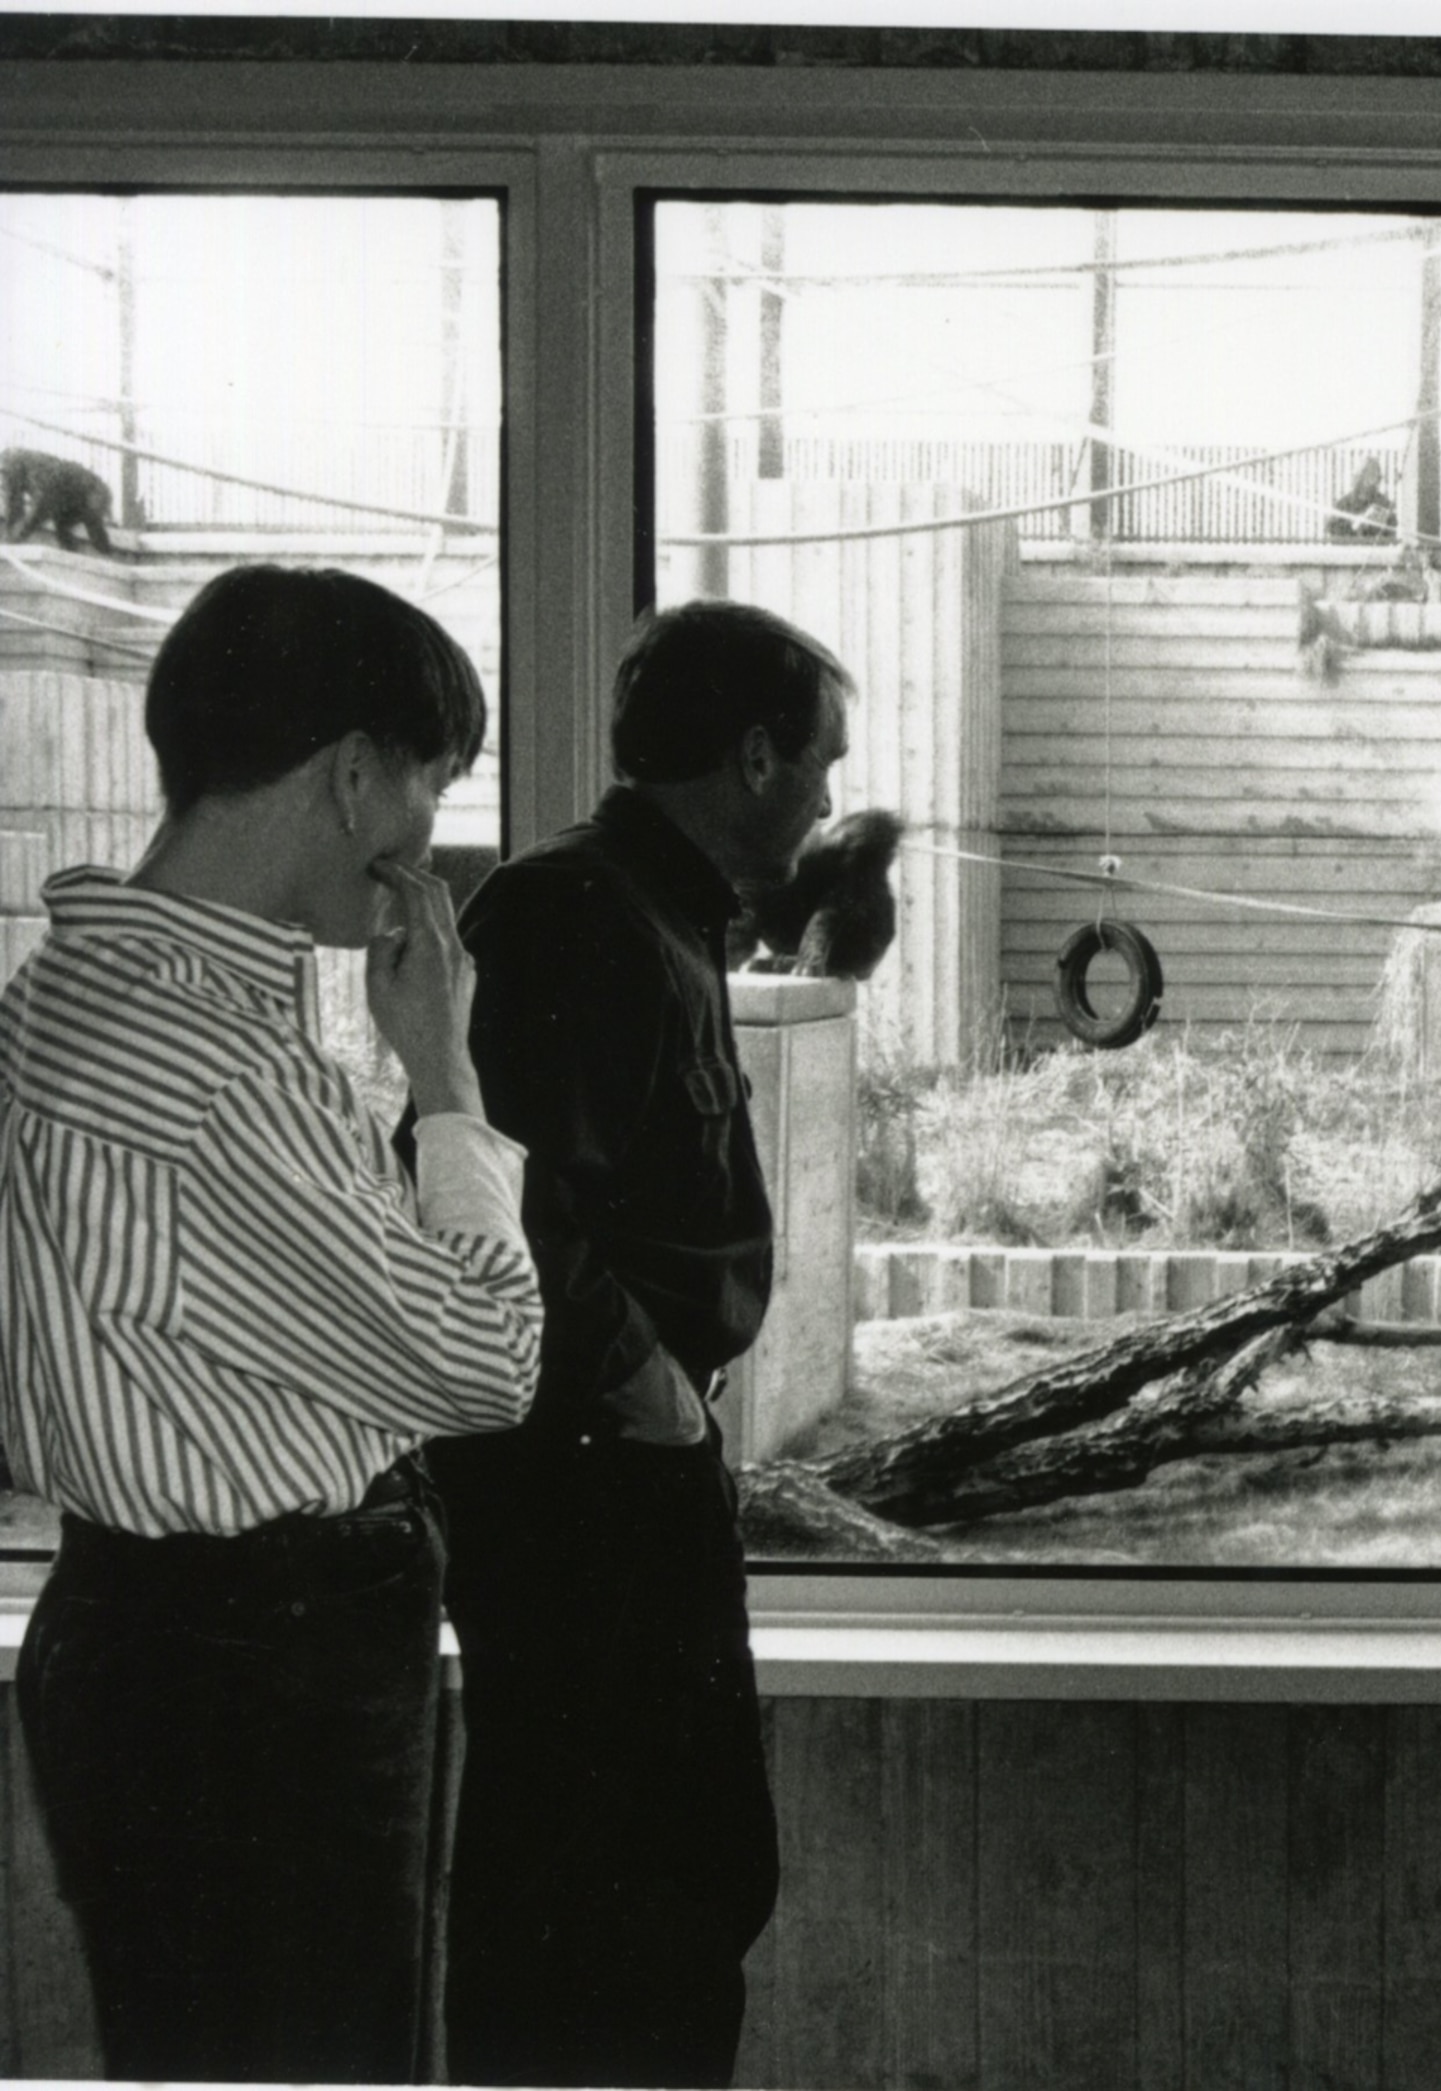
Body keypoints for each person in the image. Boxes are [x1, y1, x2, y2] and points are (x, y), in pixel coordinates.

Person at [0, 563, 541, 2083]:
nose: (427, 830)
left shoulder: (57, 993)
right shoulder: (218, 1067)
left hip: (142, 1630)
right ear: (355, 775)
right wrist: (445, 1077)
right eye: (430, 783)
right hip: (259, 1671)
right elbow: (486, 1360)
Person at [424, 597, 851, 2089]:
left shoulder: (655, 913)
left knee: (683, 1883)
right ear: (754, 756)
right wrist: (649, 1385)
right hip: (584, 1489)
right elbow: (500, 1194)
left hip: (628, 1474)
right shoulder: (573, 913)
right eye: (820, 763)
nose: (826, 799)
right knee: (601, 1917)